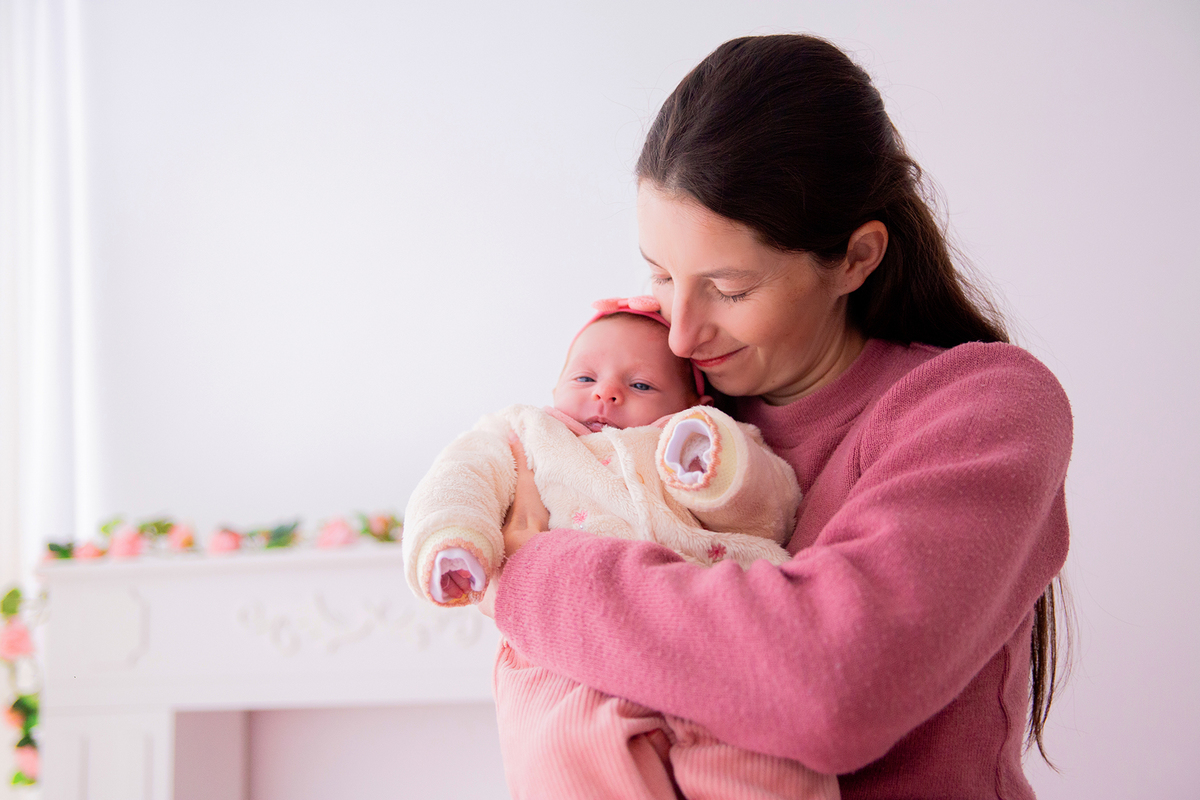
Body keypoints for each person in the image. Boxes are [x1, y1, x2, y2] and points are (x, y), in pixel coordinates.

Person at [482, 34, 1072, 800]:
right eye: (661, 274)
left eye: (729, 289)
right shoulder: (663, 411)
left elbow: (832, 691)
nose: (683, 333)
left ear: (856, 258)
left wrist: (527, 572)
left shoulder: (982, 409)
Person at [404, 298, 840, 799]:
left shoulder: (696, 438)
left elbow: (773, 506)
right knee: (570, 759)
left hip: (713, 641)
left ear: (693, 407)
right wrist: (451, 539)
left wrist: (709, 466)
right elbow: (459, 479)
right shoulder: (525, 435)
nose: (606, 394)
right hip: (569, 657)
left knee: (771, 768)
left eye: (640, 385)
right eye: (584, 379)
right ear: (554, 387)